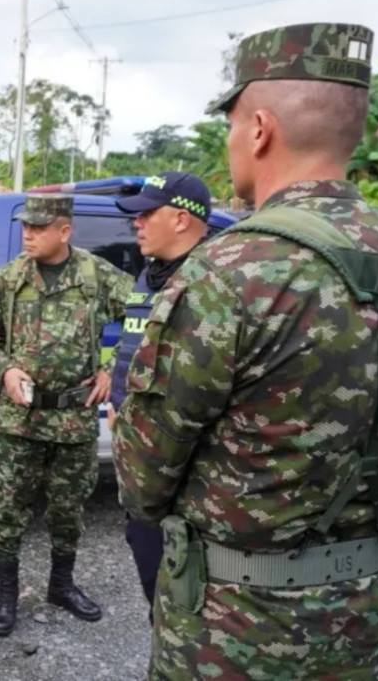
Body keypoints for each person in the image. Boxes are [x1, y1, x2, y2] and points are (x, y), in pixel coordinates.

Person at [113, 22, 378, 679]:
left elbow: (141, 478)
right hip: (369, 618)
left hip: (233, 632)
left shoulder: (227, 271)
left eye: (228, 129)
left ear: (257, 129)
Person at [0, 194, 133, 637]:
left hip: (73, 418)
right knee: (6, 509)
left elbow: (146, 315)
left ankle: (61, 586)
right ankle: (6, 595)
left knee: (68, 509)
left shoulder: (95, 275)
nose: (28, 233)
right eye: (25, 226)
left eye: (39, 227)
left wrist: (114, 368)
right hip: (19, 421)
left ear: (64, 231)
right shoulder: (10, 279)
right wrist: (4, 370)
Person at [106, 170, 211, 622]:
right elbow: (133, 345)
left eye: (148, 214)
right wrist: (111, 387)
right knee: (154, 581)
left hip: (189, 475)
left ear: (183, 219)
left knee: (190, 599)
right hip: (140, 463)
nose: (138, 223)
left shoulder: (212, 283)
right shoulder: (149, 277)